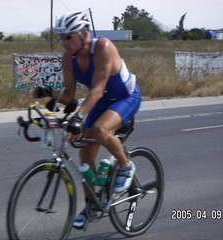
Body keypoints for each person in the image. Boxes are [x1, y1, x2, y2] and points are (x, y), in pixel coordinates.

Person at [29, 11, 141, 229]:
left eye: (68, 37)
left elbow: (97, 88)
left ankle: (126, 166)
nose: (64, 42)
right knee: (85, 153)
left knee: (99, 130)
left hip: (125, 97)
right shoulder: (68, 58)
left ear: (83, 34)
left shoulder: (103, 47)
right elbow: (69, 96)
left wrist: (78, 117)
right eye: (61, 38)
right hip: (101, 101)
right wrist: (49, 93)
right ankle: (92, 205)